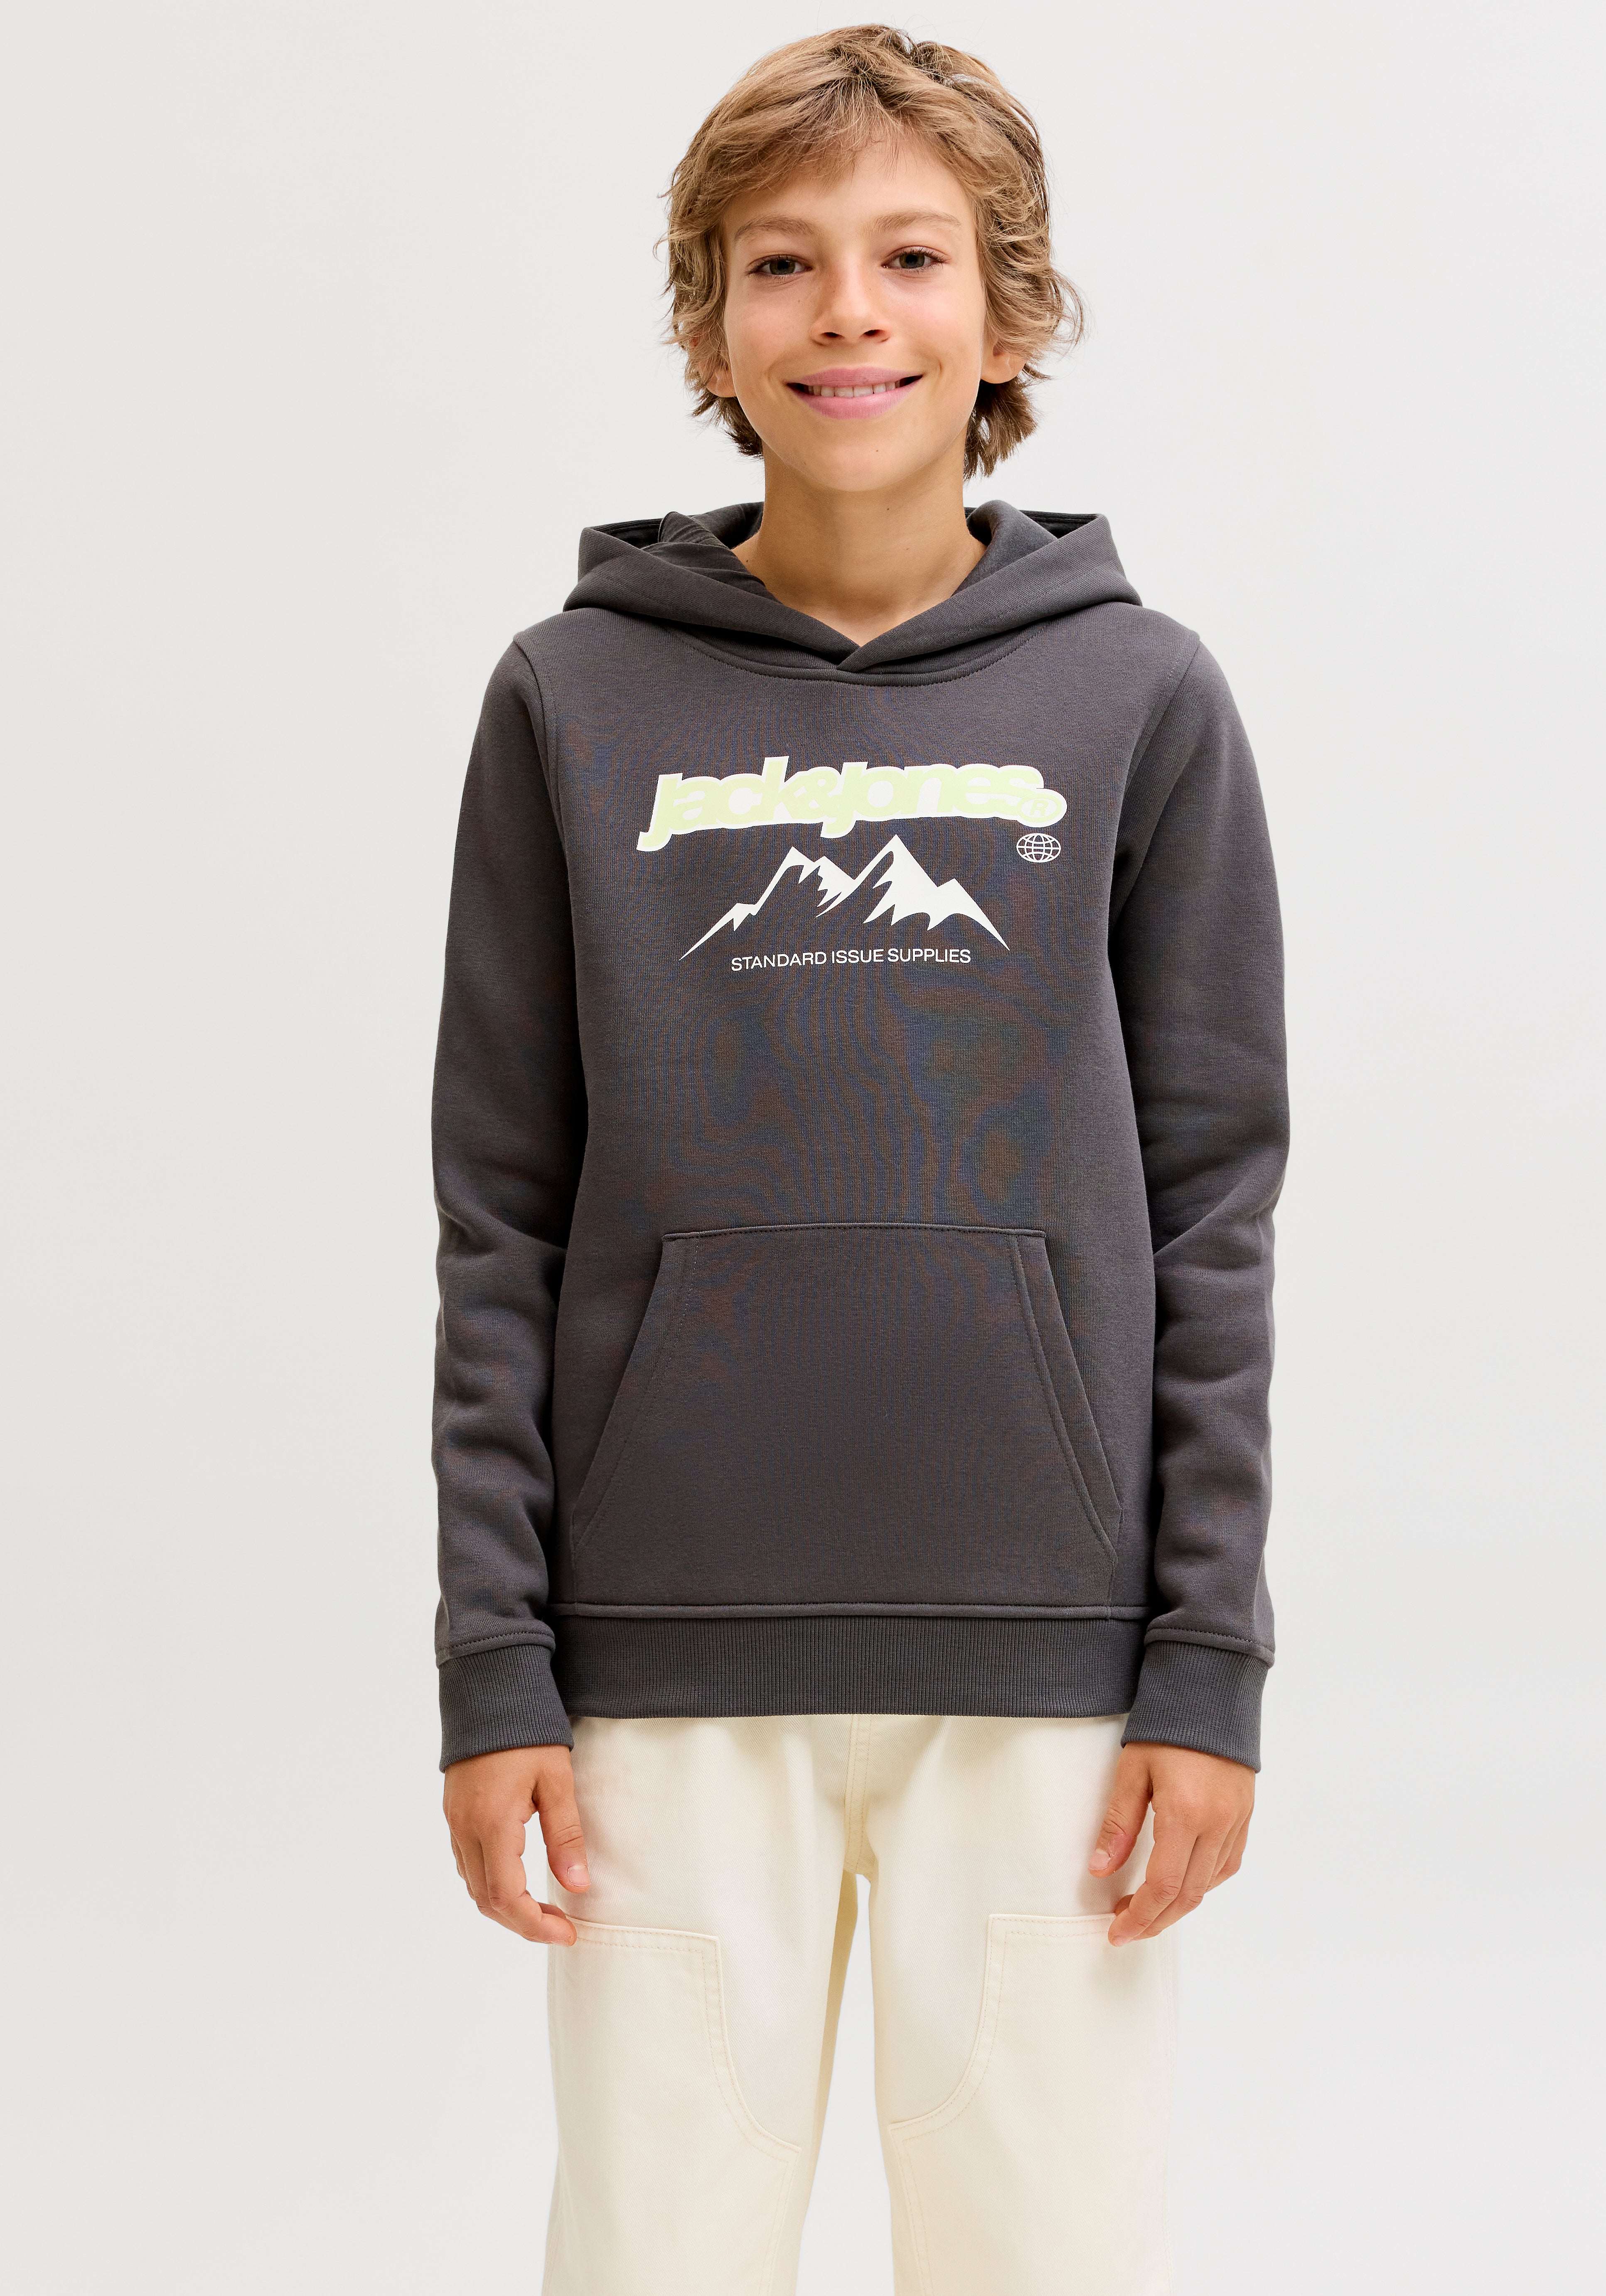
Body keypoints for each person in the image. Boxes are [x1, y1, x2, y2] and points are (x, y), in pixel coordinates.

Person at [432, 25, 1286, 2293]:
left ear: (1007, 314)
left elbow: (1214, 1207)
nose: (848, 314)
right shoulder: (570, 698)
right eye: (781, 262)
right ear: (711, 323)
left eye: (911, 257)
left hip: (1053, 1672)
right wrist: (496, 1666)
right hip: (656, 1663)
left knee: (1048, 2257)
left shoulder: (1140, 696)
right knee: (652, 2256)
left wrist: (1203, 1663)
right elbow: (498, 1208)